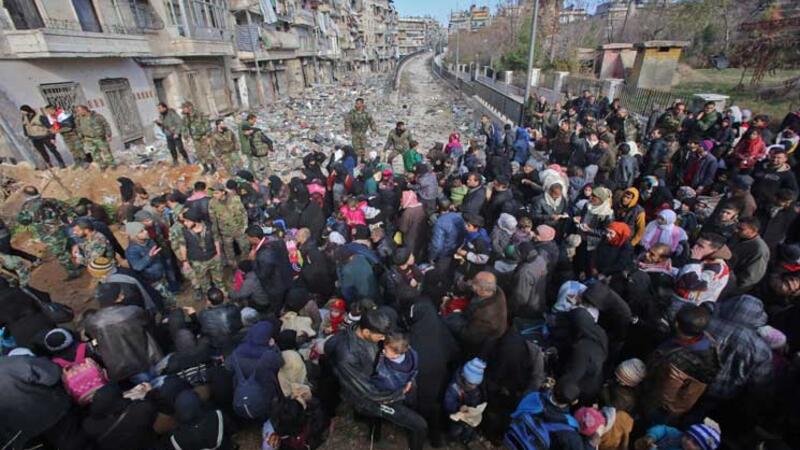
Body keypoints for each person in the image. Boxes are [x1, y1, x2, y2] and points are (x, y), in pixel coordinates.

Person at [325, 309, 428, 450]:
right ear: (366, 332)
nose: (383, 339)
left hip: (385, 384)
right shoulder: (348, 356)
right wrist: (400, 393)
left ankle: (376, 429)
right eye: (380, 336)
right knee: (420, 425)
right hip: (371, 398)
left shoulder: (375, 329)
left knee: (411, 406)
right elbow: (368, 391)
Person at [16, 186, 81, 279]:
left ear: (25, 195)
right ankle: (81, 261)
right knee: (69, 246)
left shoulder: (26, 207)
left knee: (60, 253)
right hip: (61, 228)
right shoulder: (50, 200)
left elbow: (24, 221)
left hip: (48, 233)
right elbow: (67, 207)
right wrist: (72, 218)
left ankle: (73, 271)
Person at [178, 208, 224, 303]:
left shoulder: (210, 227)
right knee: (204, 282)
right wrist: (185, 261)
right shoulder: (184, 232)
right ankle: (210, 297)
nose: (185, 223)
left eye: (187, 221)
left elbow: (216, 240)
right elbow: (182, 247)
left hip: (213, 258)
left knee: (218, 279)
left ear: (195, 220)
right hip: (198, 262)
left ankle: (221, 295)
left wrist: (218, 254)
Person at [443, 357, 487, 445]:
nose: (473, 387)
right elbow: (448, 403)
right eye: (471, 384)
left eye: (476, 384)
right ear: (464, 376)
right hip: (457, 415)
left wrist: (475, 408)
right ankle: (453, 440)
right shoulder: (454, 388)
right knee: (456, 430)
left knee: (469, 428)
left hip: (469, 416)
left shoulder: (476, 387)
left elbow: (478, 398)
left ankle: (465, 439)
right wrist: (459, 407)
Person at [209, 182, 249, 268]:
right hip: (225, 232)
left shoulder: (235, 199)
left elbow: (244, 213)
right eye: (213, 193)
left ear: (223, 192)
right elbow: (213, 221)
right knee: (229, 252)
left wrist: (245, 227)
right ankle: (233, 267)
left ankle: (245, 265)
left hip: (239, 230)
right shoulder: (212, 203)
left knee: (245, 247)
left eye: (216, 193)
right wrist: (216, 236)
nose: (214, 195)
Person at [198, 287, 243, 355]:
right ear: (224, 298)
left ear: (209, 301)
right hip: (234, 340)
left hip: (216, 345)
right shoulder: (233, 308)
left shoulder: (203, 314)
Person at [730, 217, 770, 291]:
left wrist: (734, 285)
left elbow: (751, 276)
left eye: (741, 229)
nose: (736, 230)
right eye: (737, 227)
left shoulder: (759, 249)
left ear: (753, 231)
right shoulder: (737, 236)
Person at [75, 104, 114, 169]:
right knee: (95, 154)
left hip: (99, 138)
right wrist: (81, 138)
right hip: (89, 139)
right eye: (77, 111)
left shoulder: (97, 116)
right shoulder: (79, 119)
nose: (78, 113)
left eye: (79, 111)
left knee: (106, 152)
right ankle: (102, 166)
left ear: (84, 109)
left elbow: (106, 125)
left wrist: (109, 135)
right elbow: (79, 129)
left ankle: (112, 165)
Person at [182, 101, 213, 173]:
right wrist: (185, 136)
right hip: (195, 138)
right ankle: (205, 167)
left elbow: (207, 123)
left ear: (189, 107)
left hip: (203, 136)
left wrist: (208, 136)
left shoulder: (199, 114)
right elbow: (184, 127)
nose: (183, 110)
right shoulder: (186, 118)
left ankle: (212, 167)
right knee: (199, 154)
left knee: (206, 153)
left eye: (184, 108)